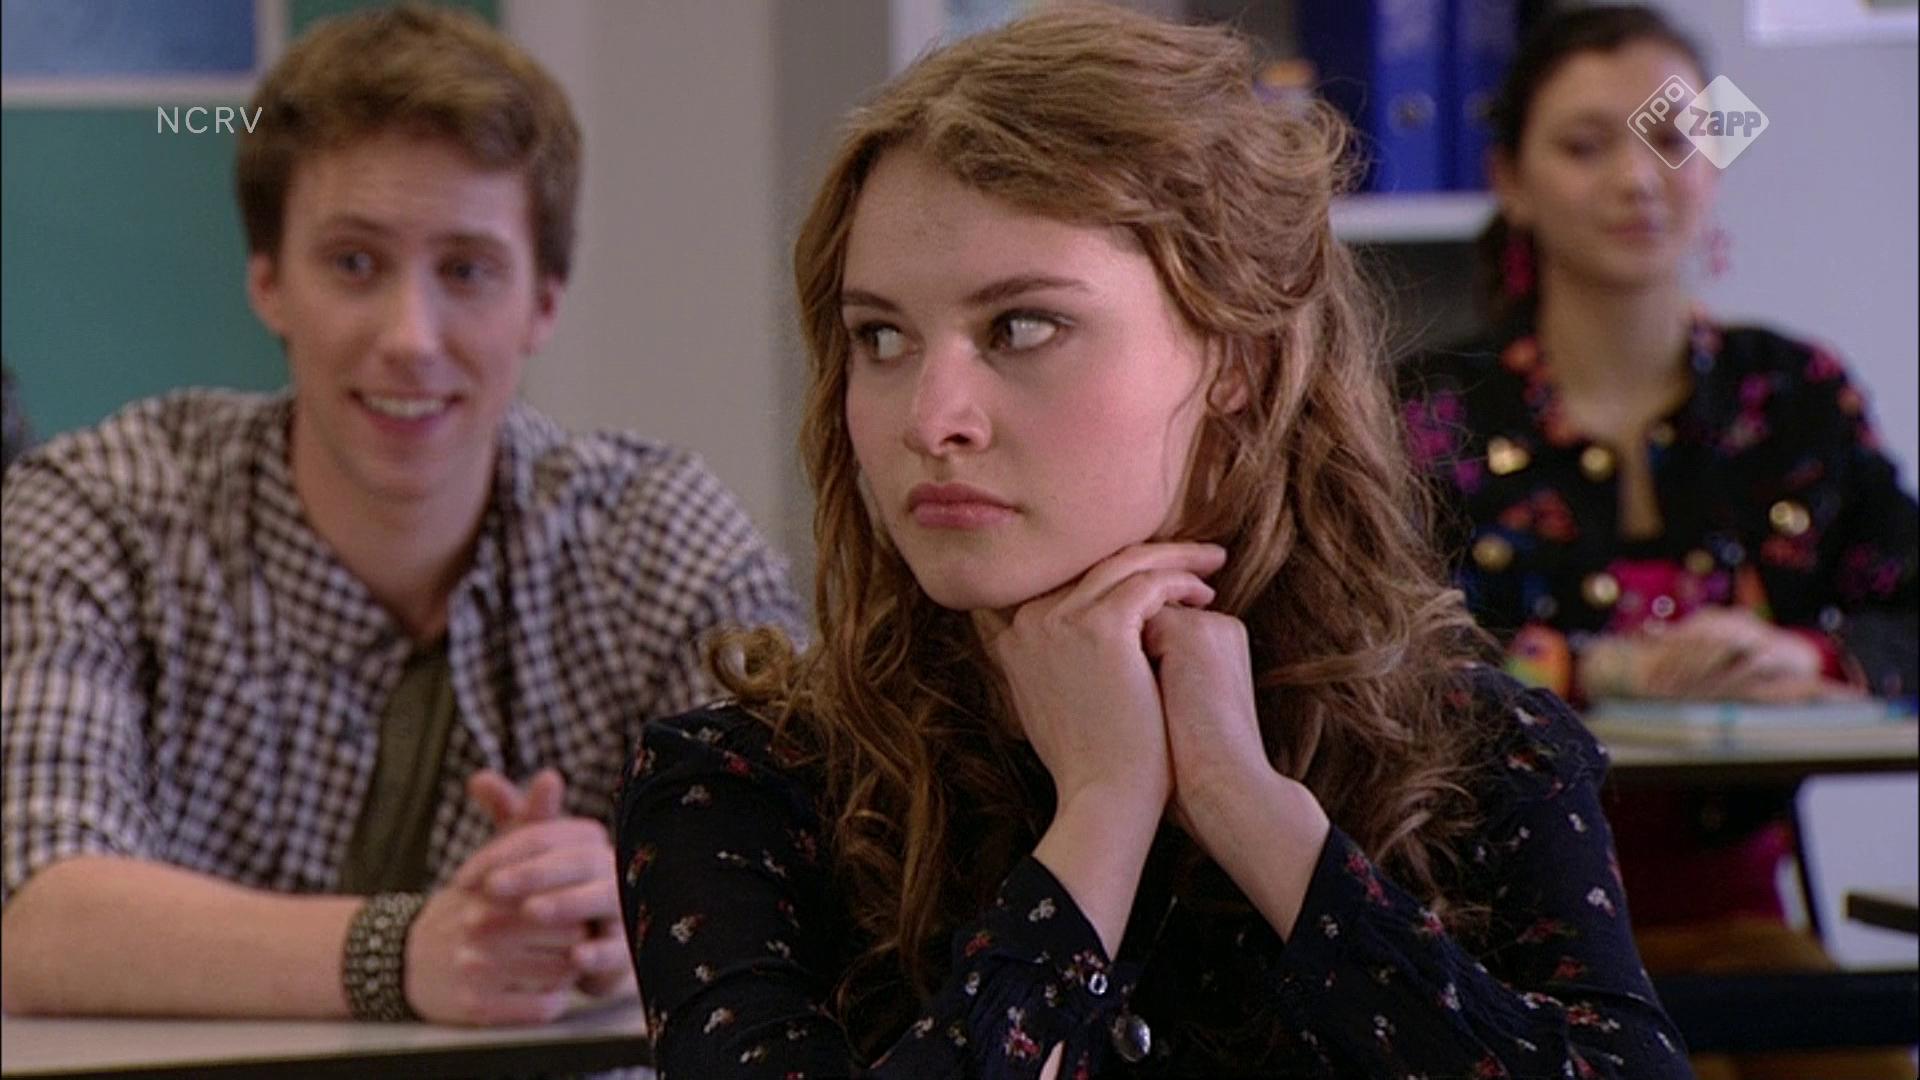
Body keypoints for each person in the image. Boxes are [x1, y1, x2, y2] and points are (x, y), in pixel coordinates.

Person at [614, 7, 1687, 1077]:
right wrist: (1100, 818)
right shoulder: (742, 786)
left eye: (1021, 327)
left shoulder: (1482, 754)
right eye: (880, 337)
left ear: (1238, 360)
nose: (930, 418)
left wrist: (1252, 813)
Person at [0, 6, 800, 1028]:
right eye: (354, 264)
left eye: (466, 270)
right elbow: (34, 915)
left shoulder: (658, 540)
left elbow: (811, 885)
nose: (411, 338)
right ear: (268, 284)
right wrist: (403, 951)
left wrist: (637, 909)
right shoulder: (101, 514)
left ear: (543, 303)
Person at [1398, 6, 1918, 1079]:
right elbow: (1363, 649)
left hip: (1747, 932)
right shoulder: (1429, 410)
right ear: (1510, 181)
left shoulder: (1794, 394)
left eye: (1675, 139)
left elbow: (1907, 603)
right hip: (1487, 942)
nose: (1638, 179)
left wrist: (1814, 658)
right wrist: (1584, 670)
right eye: (1586, 146)